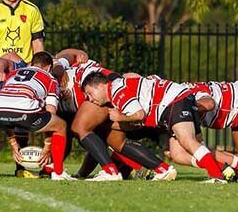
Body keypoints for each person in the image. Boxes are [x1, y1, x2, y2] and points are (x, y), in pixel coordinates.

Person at [82, 72, 227, 183]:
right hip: (178, 100)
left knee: (187, 141)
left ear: (101, 86)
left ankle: (217, 176)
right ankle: (224, 167)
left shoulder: (117, 93)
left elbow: (139, 114)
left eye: (90, 93)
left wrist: (120, 117)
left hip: (173, 102)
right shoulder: (119, 84)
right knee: (179, 153)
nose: (90, 98)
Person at [0, 51, 75, 181]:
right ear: (48, 67)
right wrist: (47, 147)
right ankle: (58, 172)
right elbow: (51, 112)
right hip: (25, 111)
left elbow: (8, 105)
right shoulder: (50, 78)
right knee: (60, 125)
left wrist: (13, 143)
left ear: (32, 64)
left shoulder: (13, 74)